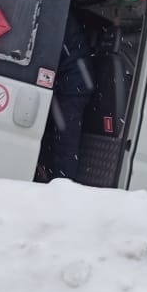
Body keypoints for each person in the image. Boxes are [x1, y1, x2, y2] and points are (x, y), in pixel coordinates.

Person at [39, 10, 95, 181]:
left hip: (74, 84)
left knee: (65, 140)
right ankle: (52, 174)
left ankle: (62, 183)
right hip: (72, 78)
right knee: (60, 135)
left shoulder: (55, 12)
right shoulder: (59, 13)